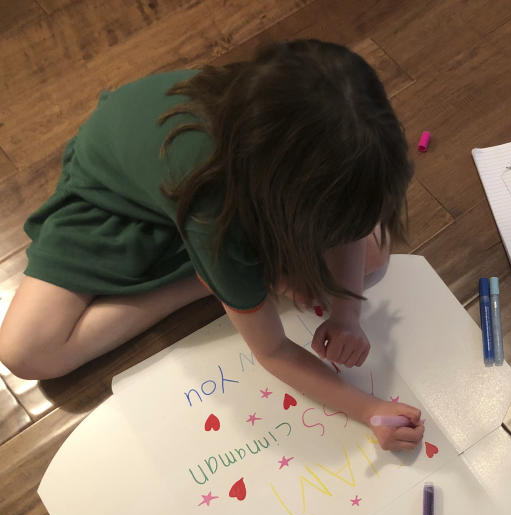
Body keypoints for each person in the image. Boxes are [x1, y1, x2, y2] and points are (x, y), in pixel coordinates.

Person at [0, 40, 424, 451]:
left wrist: (348, 314)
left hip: (214, 190)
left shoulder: (301, 111)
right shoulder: (215, 206)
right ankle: (208, 281)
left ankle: (225, 278)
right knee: (25, 352)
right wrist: (369, 409)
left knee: (373, 249)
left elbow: (355, 232)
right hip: (114, 199)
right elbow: (272, 350)